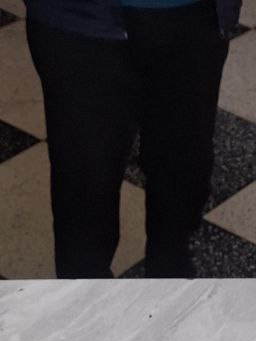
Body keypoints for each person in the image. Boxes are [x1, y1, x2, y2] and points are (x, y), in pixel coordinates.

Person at [25, 0, 241, 278]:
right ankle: (87, 297)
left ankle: (170, 283)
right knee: (84, 186)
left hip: (196, 15)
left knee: (183, 174)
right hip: (77, 19)